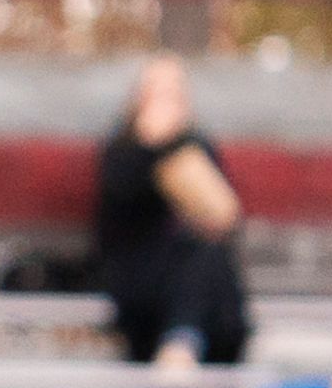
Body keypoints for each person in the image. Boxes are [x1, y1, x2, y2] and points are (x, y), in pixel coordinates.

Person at [94, 55, 251, 367]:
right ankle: (183, 346)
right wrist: (150, 146)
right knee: (202, 261)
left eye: (173, 92)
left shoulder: (196, 145)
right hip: (138, 276)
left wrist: (178, 150)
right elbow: (120, 213)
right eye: (157, 91)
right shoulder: (122, 148)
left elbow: (224, 218)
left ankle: (183, 346)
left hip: (194, 279)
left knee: (207, 257)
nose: (165, 101)